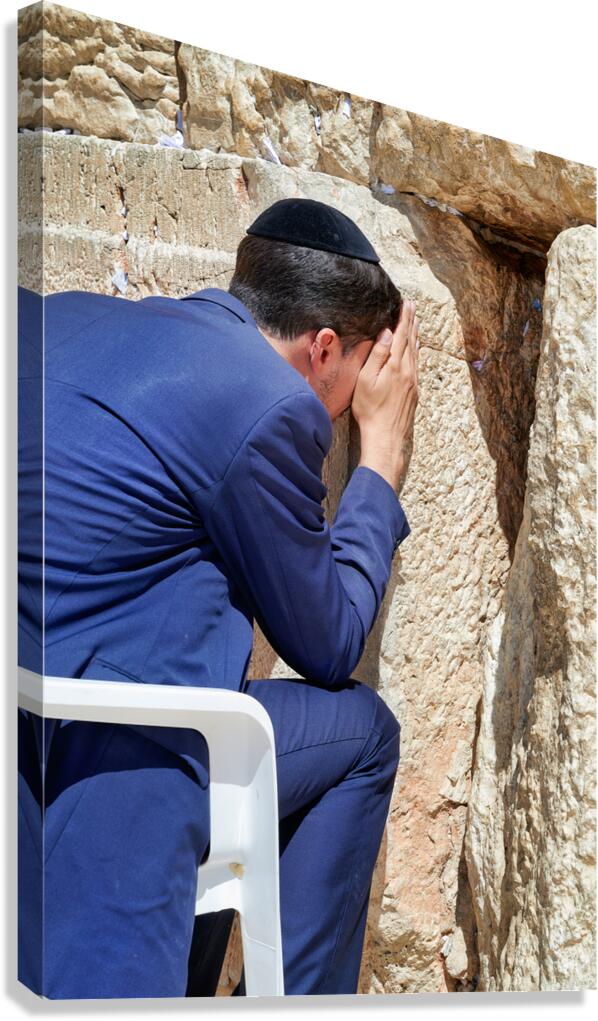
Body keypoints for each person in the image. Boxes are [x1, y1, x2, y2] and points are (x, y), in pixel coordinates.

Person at [17, 197, 419, 999]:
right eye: (362, 374)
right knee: (363, 733)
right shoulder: (268, 403)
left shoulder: (54, 319)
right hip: (112, 743)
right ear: (325, 349)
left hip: (26, 704)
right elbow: (329, 640)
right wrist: (378, 463)